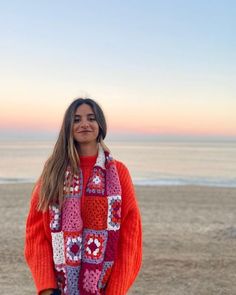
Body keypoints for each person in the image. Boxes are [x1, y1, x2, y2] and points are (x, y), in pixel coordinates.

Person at [24, 98, 142, 295]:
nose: (84, 124)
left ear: (100, 125)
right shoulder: (54, 171)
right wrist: (47, 288)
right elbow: (35, 233)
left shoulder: (119, 173)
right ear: (69, 127)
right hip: (58, 289)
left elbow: (130, 238)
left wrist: (116, 291)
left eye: (91, 118)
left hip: (105, 289)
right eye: (77, 119)